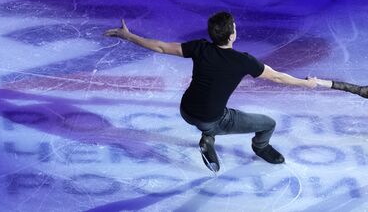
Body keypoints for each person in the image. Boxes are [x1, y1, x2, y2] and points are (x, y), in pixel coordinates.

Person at [105, 12, 316, 172]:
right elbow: (278, 77)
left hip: (186, 110)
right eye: (234, 26)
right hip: (211, 118)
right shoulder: (244, 61)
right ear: (232, 35)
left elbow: (160, 47)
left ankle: (208, 138)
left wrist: (129, 36)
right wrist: (306, 84)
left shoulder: (200, 48)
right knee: (268, 124)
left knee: (215, 110)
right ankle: (259, 147)